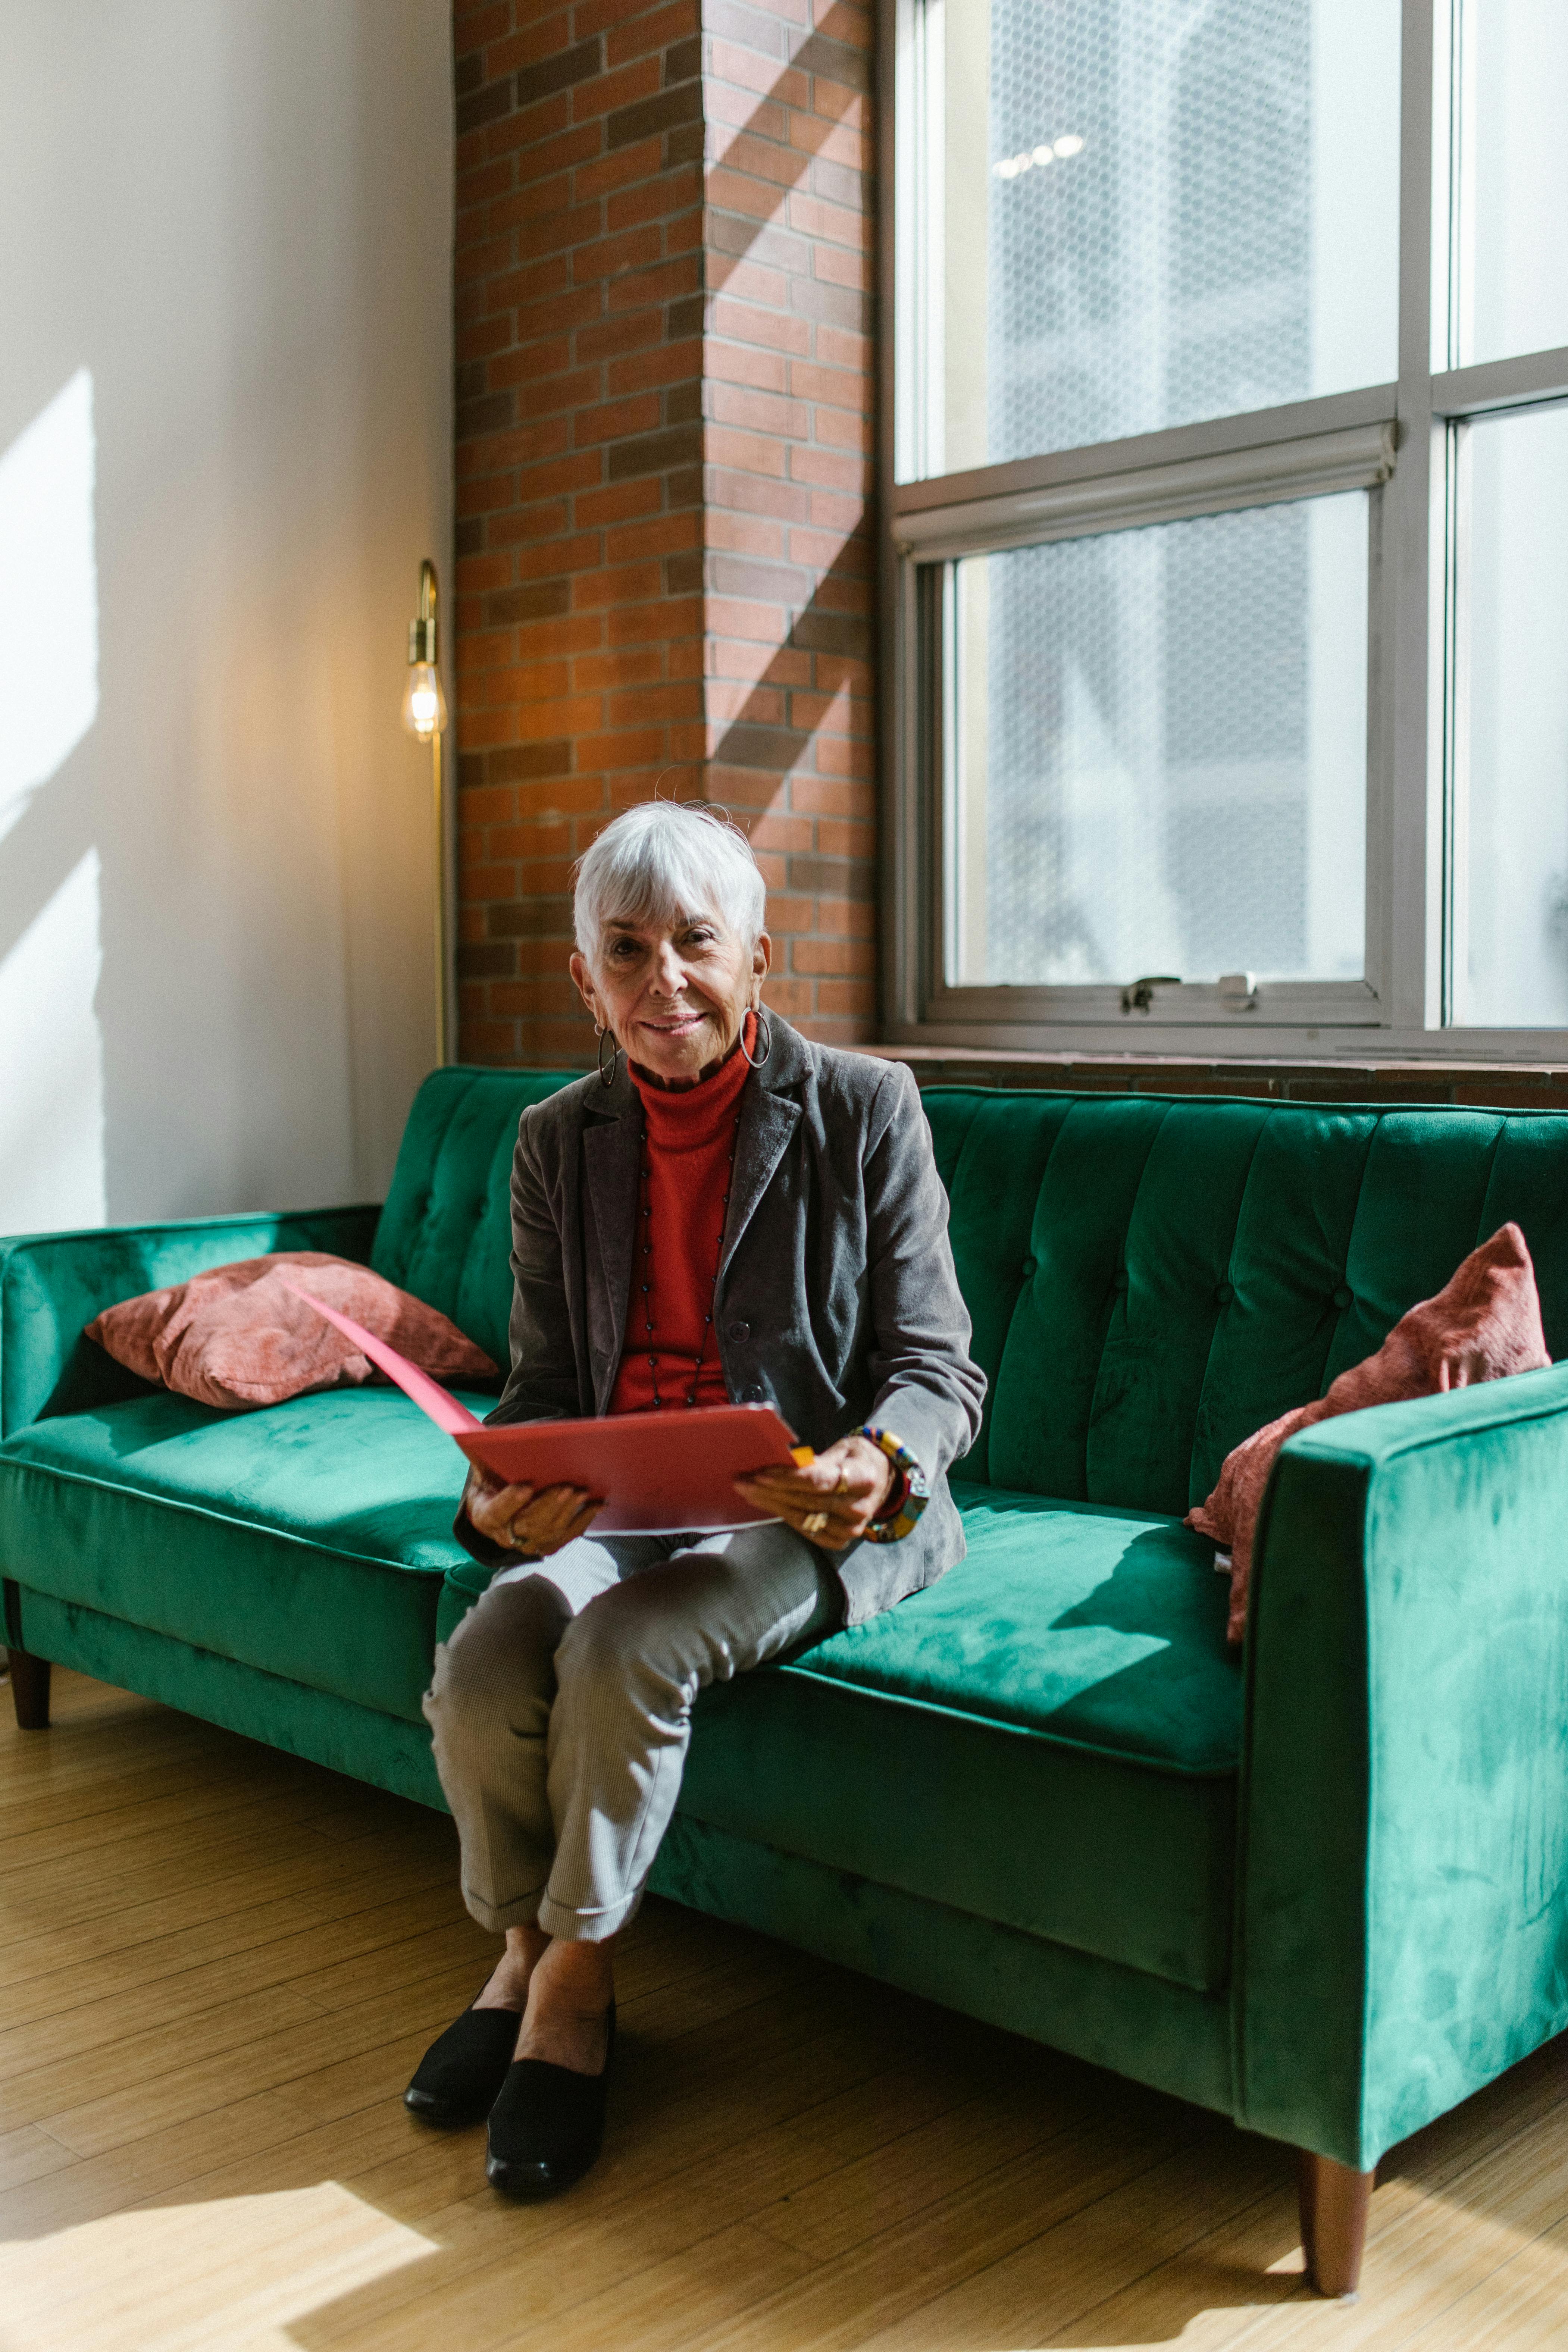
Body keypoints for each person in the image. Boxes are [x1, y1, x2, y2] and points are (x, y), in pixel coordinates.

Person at [406, 799, 985, 2198]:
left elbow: (938, 1368)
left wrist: (879, 1462)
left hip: (809, 1508)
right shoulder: (557, 1139)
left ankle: (574, 1987)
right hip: (629, 1503)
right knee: (486, 1649)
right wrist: (500, 1500)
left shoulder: (863, 1106)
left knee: (625, 1642)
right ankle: (522, 1944)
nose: (662, 978)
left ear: (756, 960)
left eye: (694, 943)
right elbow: (545, 1385)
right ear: (584, 981)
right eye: (626, 950)